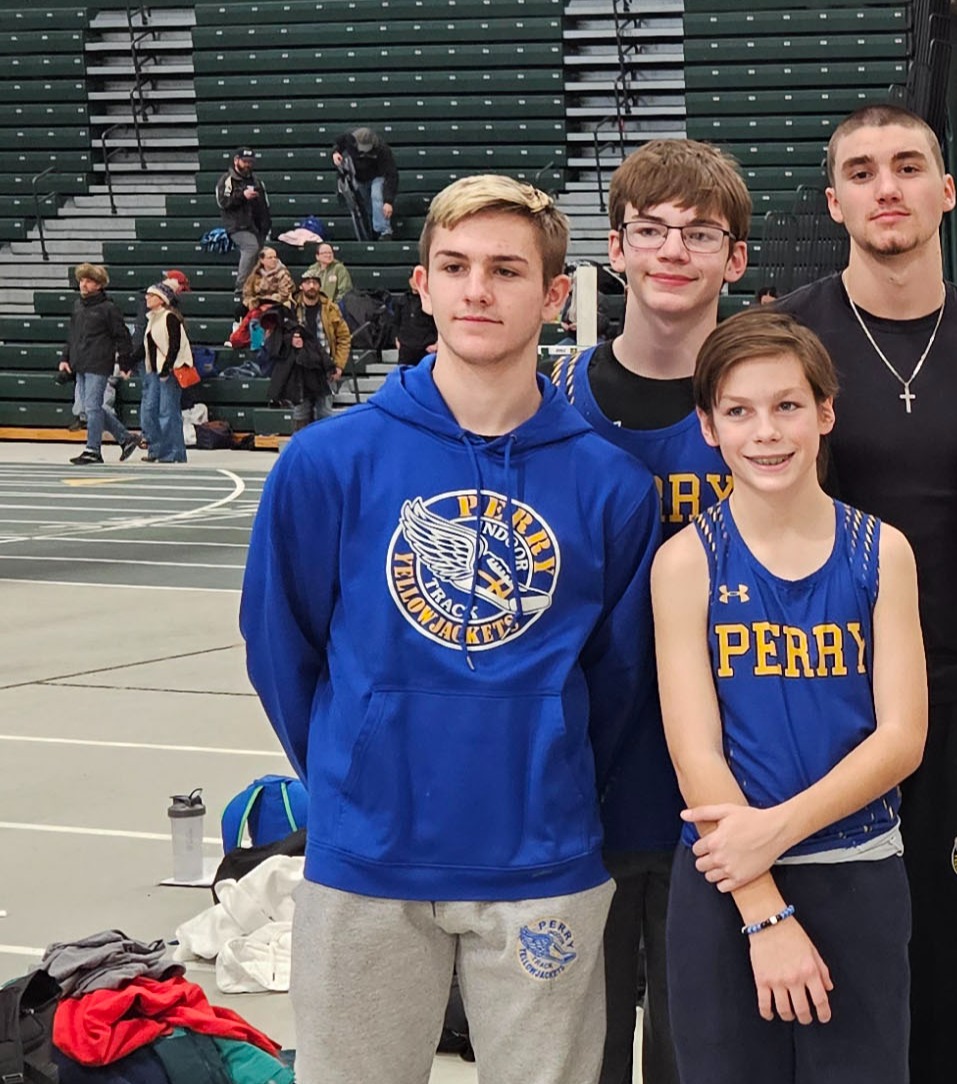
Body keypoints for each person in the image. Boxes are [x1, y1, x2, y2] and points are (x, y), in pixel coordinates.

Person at [239, 174, 660, 1084]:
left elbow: (620, 684)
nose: (478, 290)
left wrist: (544, 769)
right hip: (369, 862)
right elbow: (284, 651)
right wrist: (357, 774)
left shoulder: (612, 486)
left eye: (507, 270)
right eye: (456, 266)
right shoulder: (328, 462)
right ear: (423, 285)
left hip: (543, 863)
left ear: (554, 297)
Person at [767, 105, 957, 1082]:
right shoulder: (787, 334)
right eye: (865, 171)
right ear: (836, 199)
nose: (890, 187)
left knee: (955, 976)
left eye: (910, 166)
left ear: (945, 191)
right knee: (828, 973)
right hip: (822, 706)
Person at [653, 310, 928, 1084]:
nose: (765, 432)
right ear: (708, 427)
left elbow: (902, 737)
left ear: (825, 412)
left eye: (787, 406)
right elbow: (694, 751)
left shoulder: (883, 552)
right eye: (738, 411)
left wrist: (771, 834)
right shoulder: (685, 563)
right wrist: (763, 908)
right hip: (726, 888)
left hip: (856, 870)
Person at [550, 136, 758, 1084]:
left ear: (736, 258)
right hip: (570, 796)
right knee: (572, 1058)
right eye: (652, 230)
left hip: (718, 801)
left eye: (700, 233)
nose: (674, 251)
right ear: (616, 248)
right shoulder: (546, 405)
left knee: (698, 1059)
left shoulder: (766, 414)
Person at [57, 263, 138, 465]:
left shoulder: (108, 308)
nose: (84, 284)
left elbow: (122, 336)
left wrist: (125, 363)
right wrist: (65, 358)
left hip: (99, 362)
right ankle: (126, 438)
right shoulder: (78, 306)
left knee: (93, 406)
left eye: (89, 281)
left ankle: (93, 449)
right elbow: (73, 335)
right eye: (82, 280)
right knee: (89, 407)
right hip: (80, 362)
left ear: (99, 285)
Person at [135, 279, 193, 463]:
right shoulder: (152, 319)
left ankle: (174, 452)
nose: (147, 298)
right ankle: (157, 449)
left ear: (161, 299)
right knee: (151, 410)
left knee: (168, 412)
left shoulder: (169, 317)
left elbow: (175, 345)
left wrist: (167, 367)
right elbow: (148, 347)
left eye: (152, 295)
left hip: (169, 370)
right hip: (154, 370)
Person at [219, 148, 272, 293]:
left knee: (259, 253)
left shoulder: (257, 181)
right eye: (245, 161)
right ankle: (241, 285)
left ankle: (255, 286)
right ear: (236, 160)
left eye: (250, 162)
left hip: (257, 226)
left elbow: (265, 205)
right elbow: (223, 201)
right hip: (237, 225)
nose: (248, 164)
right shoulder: (229, 180)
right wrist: (242, 196)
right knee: (251, 247)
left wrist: (267, 225)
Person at [336, 126, 401, 240]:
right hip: (359, 177)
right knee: (366, 206)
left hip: (377, 175)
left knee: (377, 196)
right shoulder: (348, 138)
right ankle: (371, 232)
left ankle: (384, 231)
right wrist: (335, 153)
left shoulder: (382, 149)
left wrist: (388, 201)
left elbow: (391, 174)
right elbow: (337, 145)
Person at [241, 246, 297, 318]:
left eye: (275, 257)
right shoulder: (255, 275)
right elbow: (247, 292)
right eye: (270, 258)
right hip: (257, 303)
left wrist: (266, 301)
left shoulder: (283, 274)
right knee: (241, 310)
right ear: (262, 260)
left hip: (277, 303)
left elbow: (284, 294)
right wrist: (251, 302)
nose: (274, 260)